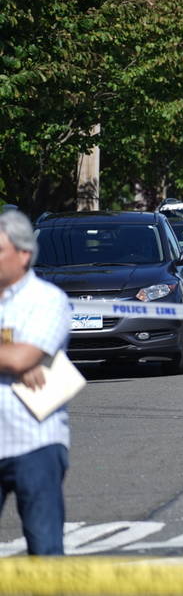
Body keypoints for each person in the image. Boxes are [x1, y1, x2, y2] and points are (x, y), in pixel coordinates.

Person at [0, 209, 71, 555]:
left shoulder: (46, 299)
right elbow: (14, 359)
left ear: (23, 253)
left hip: (35, 441)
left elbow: (22, 359)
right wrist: (12, 357)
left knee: (45, 555)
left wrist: (17, 359)